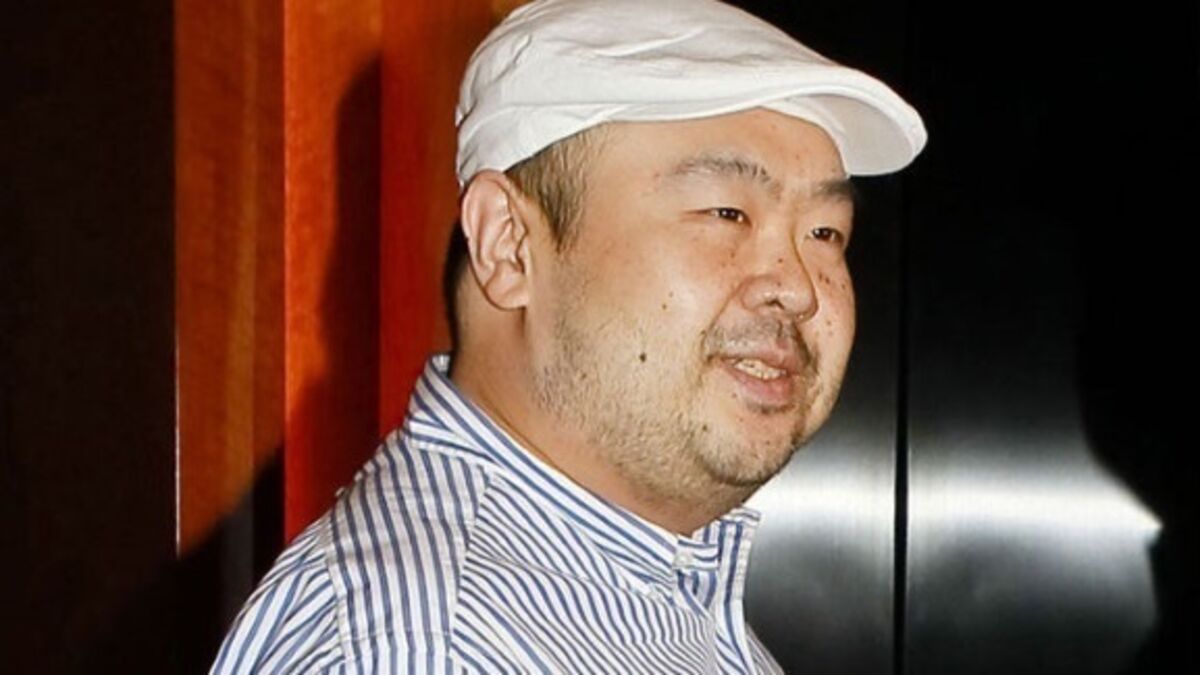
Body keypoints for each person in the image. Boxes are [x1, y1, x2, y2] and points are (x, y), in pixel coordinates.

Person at [210, 0, 926, 672]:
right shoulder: (423, 645)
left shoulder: (661, 596)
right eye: (725, 213)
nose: (799, 288)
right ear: (508, 246)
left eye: (825, 233)